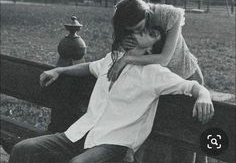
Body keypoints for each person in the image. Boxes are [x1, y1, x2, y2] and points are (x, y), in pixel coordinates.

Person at [9, 30, 214, 163]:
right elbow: (89, 67)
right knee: (23, 149)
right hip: (82, 134)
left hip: (114, 145)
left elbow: (191, 85)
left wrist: (203, 96)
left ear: (150, 49)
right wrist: (60, 71)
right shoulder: (111, 60)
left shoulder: (154, 73)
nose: (130, 38)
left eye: (140, 35)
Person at [107, 0, 206, 162]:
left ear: (146, 15)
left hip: (186, 77)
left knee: (188, 139)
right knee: (157, 138)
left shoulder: (168, 15)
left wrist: (127, 59)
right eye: (130, 30)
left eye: (138, 28)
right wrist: (127, 50)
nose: (135, 33)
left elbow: (164, 58)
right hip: (157, 82)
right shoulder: (127, 23)